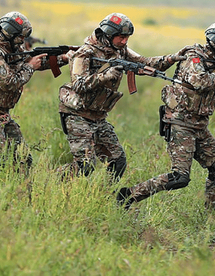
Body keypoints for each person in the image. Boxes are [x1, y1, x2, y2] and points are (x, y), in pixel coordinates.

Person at [116, 22, 215, 210]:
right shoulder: (194, 58)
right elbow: (200, 81)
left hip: (199, 125)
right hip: (180, 123)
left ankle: (211, 214)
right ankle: (128, 196)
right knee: (180, 177)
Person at [57, 12, 185, 181]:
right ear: (108, 35)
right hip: (78, 115)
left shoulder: (120, 50)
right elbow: (79, 85)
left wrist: (172, 58)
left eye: (127, 38)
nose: (124, 41)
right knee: (85, 166)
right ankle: (54, 179)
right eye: (121, 37)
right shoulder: (85, 53)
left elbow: (146, 62)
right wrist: (106, 75)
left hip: (99, 117)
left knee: (118, 161)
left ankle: (106, 195)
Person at [0, 11, 68, 173]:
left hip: (1, 113)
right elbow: (10, 83)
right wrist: (30, 67)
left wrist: (63, 59)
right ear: (10, 34)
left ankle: (22, 192)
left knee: (22, 158)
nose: (23, 41)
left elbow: (32, 61)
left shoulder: (9, 47)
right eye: (20, 37)